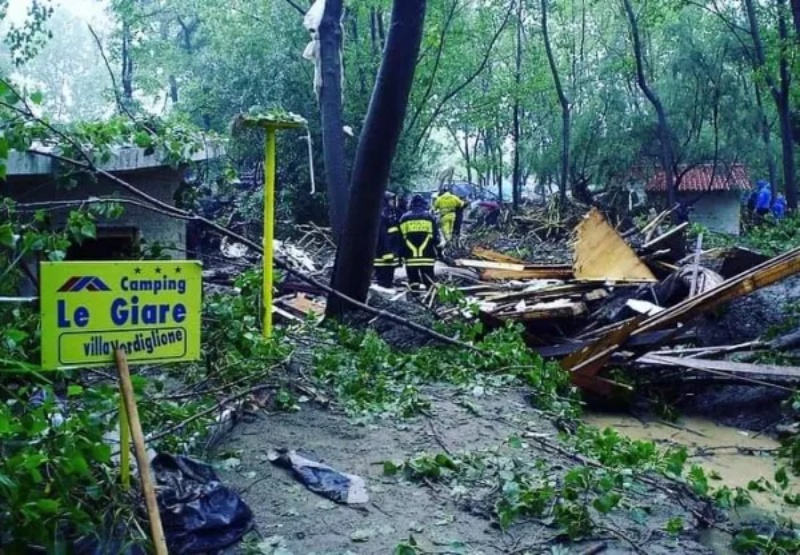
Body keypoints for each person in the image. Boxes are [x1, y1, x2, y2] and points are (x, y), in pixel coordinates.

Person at [399, 194, 441, 290]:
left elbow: (400, 237)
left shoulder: (404, 217)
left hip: (410, 257)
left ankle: (415, 298)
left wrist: (400, 254)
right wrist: (438, 250)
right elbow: (436, 237)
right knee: (429, 280)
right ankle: (430, 299)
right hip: (427, 256)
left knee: (413, 281)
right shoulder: (429, 216)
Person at [374, 192, 400, 288]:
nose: (393, 202)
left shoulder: (389, 212)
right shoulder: (383, 214)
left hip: (389, 253)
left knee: (388, 277)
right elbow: (383, 235)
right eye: (391, 200)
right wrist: (387, 252)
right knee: (384, 278)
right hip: (384, 254)